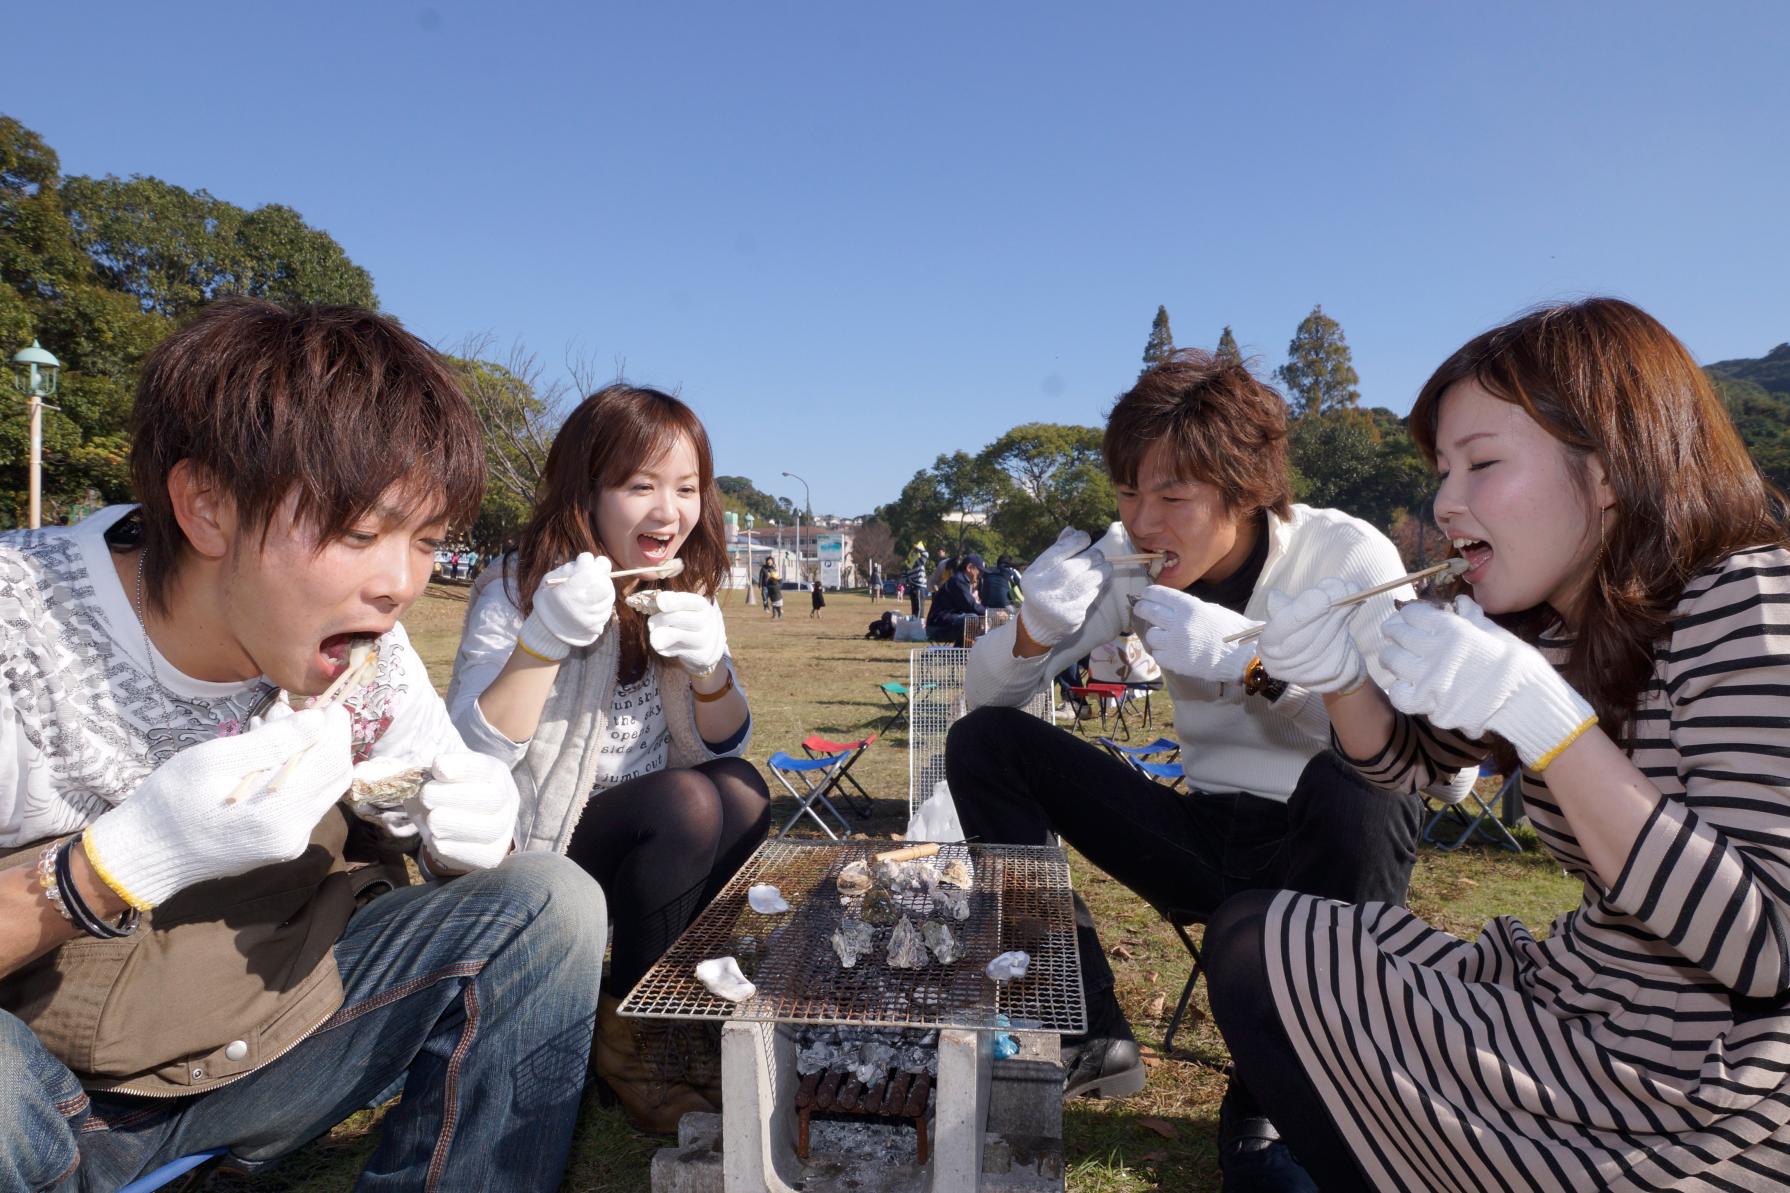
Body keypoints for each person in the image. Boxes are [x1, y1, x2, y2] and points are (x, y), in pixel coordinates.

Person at [0, 300, 606, 1193]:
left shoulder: (365, 651)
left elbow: (456, 815)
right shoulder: (22, 628)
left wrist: (465, 839)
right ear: (206, 506)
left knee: (549, 899)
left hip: (273, 1052)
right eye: (359, 532)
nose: (399, 584)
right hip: (38, 1095)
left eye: (426, 541)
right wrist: (112, 866)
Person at [1204, 298, 1790, 1192]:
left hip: (1698, 1076)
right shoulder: (1548, 619)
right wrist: (1340, 676)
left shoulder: (1743, 597)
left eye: (1482, 463)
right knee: (1259, 935)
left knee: (1268, 969)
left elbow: (1767, 949)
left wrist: (1551, 724)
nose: (1445, 503)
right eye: (1443, 469)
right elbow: (1407, 767)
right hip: (1584, 988)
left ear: (1608, 473)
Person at [946, 349, 1430, 1188]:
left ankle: (1278, 1086)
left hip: (1327, 847)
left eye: (1172, 497)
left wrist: (1256, 667)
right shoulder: (1130, 564)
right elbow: (985, 697)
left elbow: (1419, 755)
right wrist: (1032, 628)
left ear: (1244, 491)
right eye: (1129, 491)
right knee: (985, 742)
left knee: (1362, 781)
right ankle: (1084, 1020)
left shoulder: (1345, 559)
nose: (1141, 520)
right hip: (1208, 832)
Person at [447, 382, 770, 1133]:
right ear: (586, 490)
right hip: (543, 850)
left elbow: (725, 740)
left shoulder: (682, 585)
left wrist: (711, 667)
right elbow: (471, 752)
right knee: (687, 802)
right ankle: (630, 1038)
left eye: (686, 488)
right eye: (640, 485)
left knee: (743, 788)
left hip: (653, 836)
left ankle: (680, 1009)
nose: (669, 510)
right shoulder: (517, 587)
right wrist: (540, 640)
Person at [927, 553, 987, 646]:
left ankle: (961, 654)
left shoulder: (960, 580)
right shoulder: (959, 581)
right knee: (972, 618)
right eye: (980, 571)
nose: (980, 576)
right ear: (969, 567)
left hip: (944, 623)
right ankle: (960, 654)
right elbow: (971, 605)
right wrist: (990, 613)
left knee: (973, 618)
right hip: (937, 627)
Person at [903, 542, 929, 617]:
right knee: (918, 611)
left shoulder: (908, 563)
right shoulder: (917, 561)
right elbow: (926, 554)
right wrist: (919, 548)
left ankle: (917, 626)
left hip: (914, 588)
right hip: (918, 588)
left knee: (916, 611)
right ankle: (918, 627)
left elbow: (904, 577)